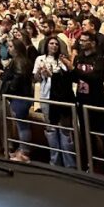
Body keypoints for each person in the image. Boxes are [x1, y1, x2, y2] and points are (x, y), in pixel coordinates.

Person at [73, 30, 104, 171]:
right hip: (81, 98)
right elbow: (75, 78)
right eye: (80, 40)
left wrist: (74, 71)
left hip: (96, 100)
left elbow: (97, 78)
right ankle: (89, 162)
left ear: (92, 43)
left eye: (84, 40)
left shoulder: (99, 58)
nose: (81, 43)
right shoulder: (79, 57)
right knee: (85, 133)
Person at [34, 36, 77, 168]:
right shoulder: (40, 59)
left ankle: (69, 164)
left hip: (63, 98)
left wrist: (66, 63)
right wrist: (41, 73)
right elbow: (36, 79)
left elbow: (71, 76)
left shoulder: (63, 60)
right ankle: (55, 162)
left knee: (65, 130)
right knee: (51, 129)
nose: (54, 46)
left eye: (56, 44)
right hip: (46, 96)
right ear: (46, 45)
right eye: (51, 43)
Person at [1, 36, 35, 162]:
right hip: (23, 96)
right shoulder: (23, 60)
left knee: (22, 126)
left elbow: (18, 77)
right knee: (22, 125)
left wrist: (10, 88)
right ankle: (22, 149)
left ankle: (24, 152)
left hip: (19, 96)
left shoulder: (18, 61)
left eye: (10, 47)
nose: (8, 49)